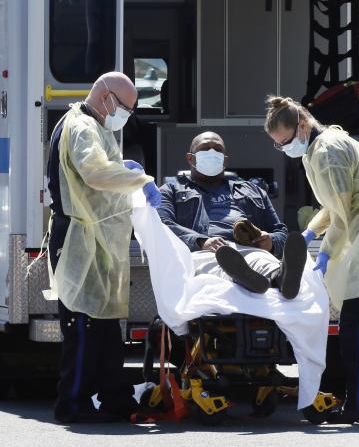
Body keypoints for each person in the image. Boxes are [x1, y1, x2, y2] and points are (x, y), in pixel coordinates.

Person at [264, 95, 359, 425]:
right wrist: (311, 232)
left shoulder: (326, 153)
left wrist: (326, 251)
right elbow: (335, 206)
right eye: (278, 145)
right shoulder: (319, 147)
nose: (285, 148)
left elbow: (342, 215)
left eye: (286, 142)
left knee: (356, 330)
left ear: (302, 125)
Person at [46, 72, 162, 423]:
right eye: (125, 107)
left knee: (107, 326)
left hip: (94, 239)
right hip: (79, 238)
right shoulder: (83, 127)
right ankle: (73, 403)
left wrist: (122, 168)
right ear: (106, 97)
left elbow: (101, 171)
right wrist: (139, 179)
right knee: (83, 327)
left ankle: (115, 397)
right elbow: (95, 174)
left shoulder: (93, 126)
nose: (125, 115)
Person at [157, 131, 306, 298]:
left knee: (264, 261)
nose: (212, 153)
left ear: (225, 160)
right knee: (215, 266)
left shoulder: (252, 191)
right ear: (190, 158)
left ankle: (280, 278)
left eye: (218, 149)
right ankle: (242, 278)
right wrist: (201, 241)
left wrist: (270, 242)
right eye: (205, 149)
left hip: (249, 248)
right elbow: (162, 224)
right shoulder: (171, 190)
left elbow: (281, 232)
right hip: (206, 252)